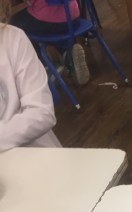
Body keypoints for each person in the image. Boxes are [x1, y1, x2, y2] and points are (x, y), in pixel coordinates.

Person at [0, 2, 62, 151]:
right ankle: (62, 56)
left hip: (31, 154)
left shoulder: (13, 39)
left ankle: (52, 61)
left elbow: (42, 113)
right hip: (69, 18)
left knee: (21, 19)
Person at [10, 0, 89, 85]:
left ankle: (46, 67)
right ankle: (68, 55)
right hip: (73, 17)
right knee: (47, 13)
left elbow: (28, 3)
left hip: (53, 22)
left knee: (15, 23)